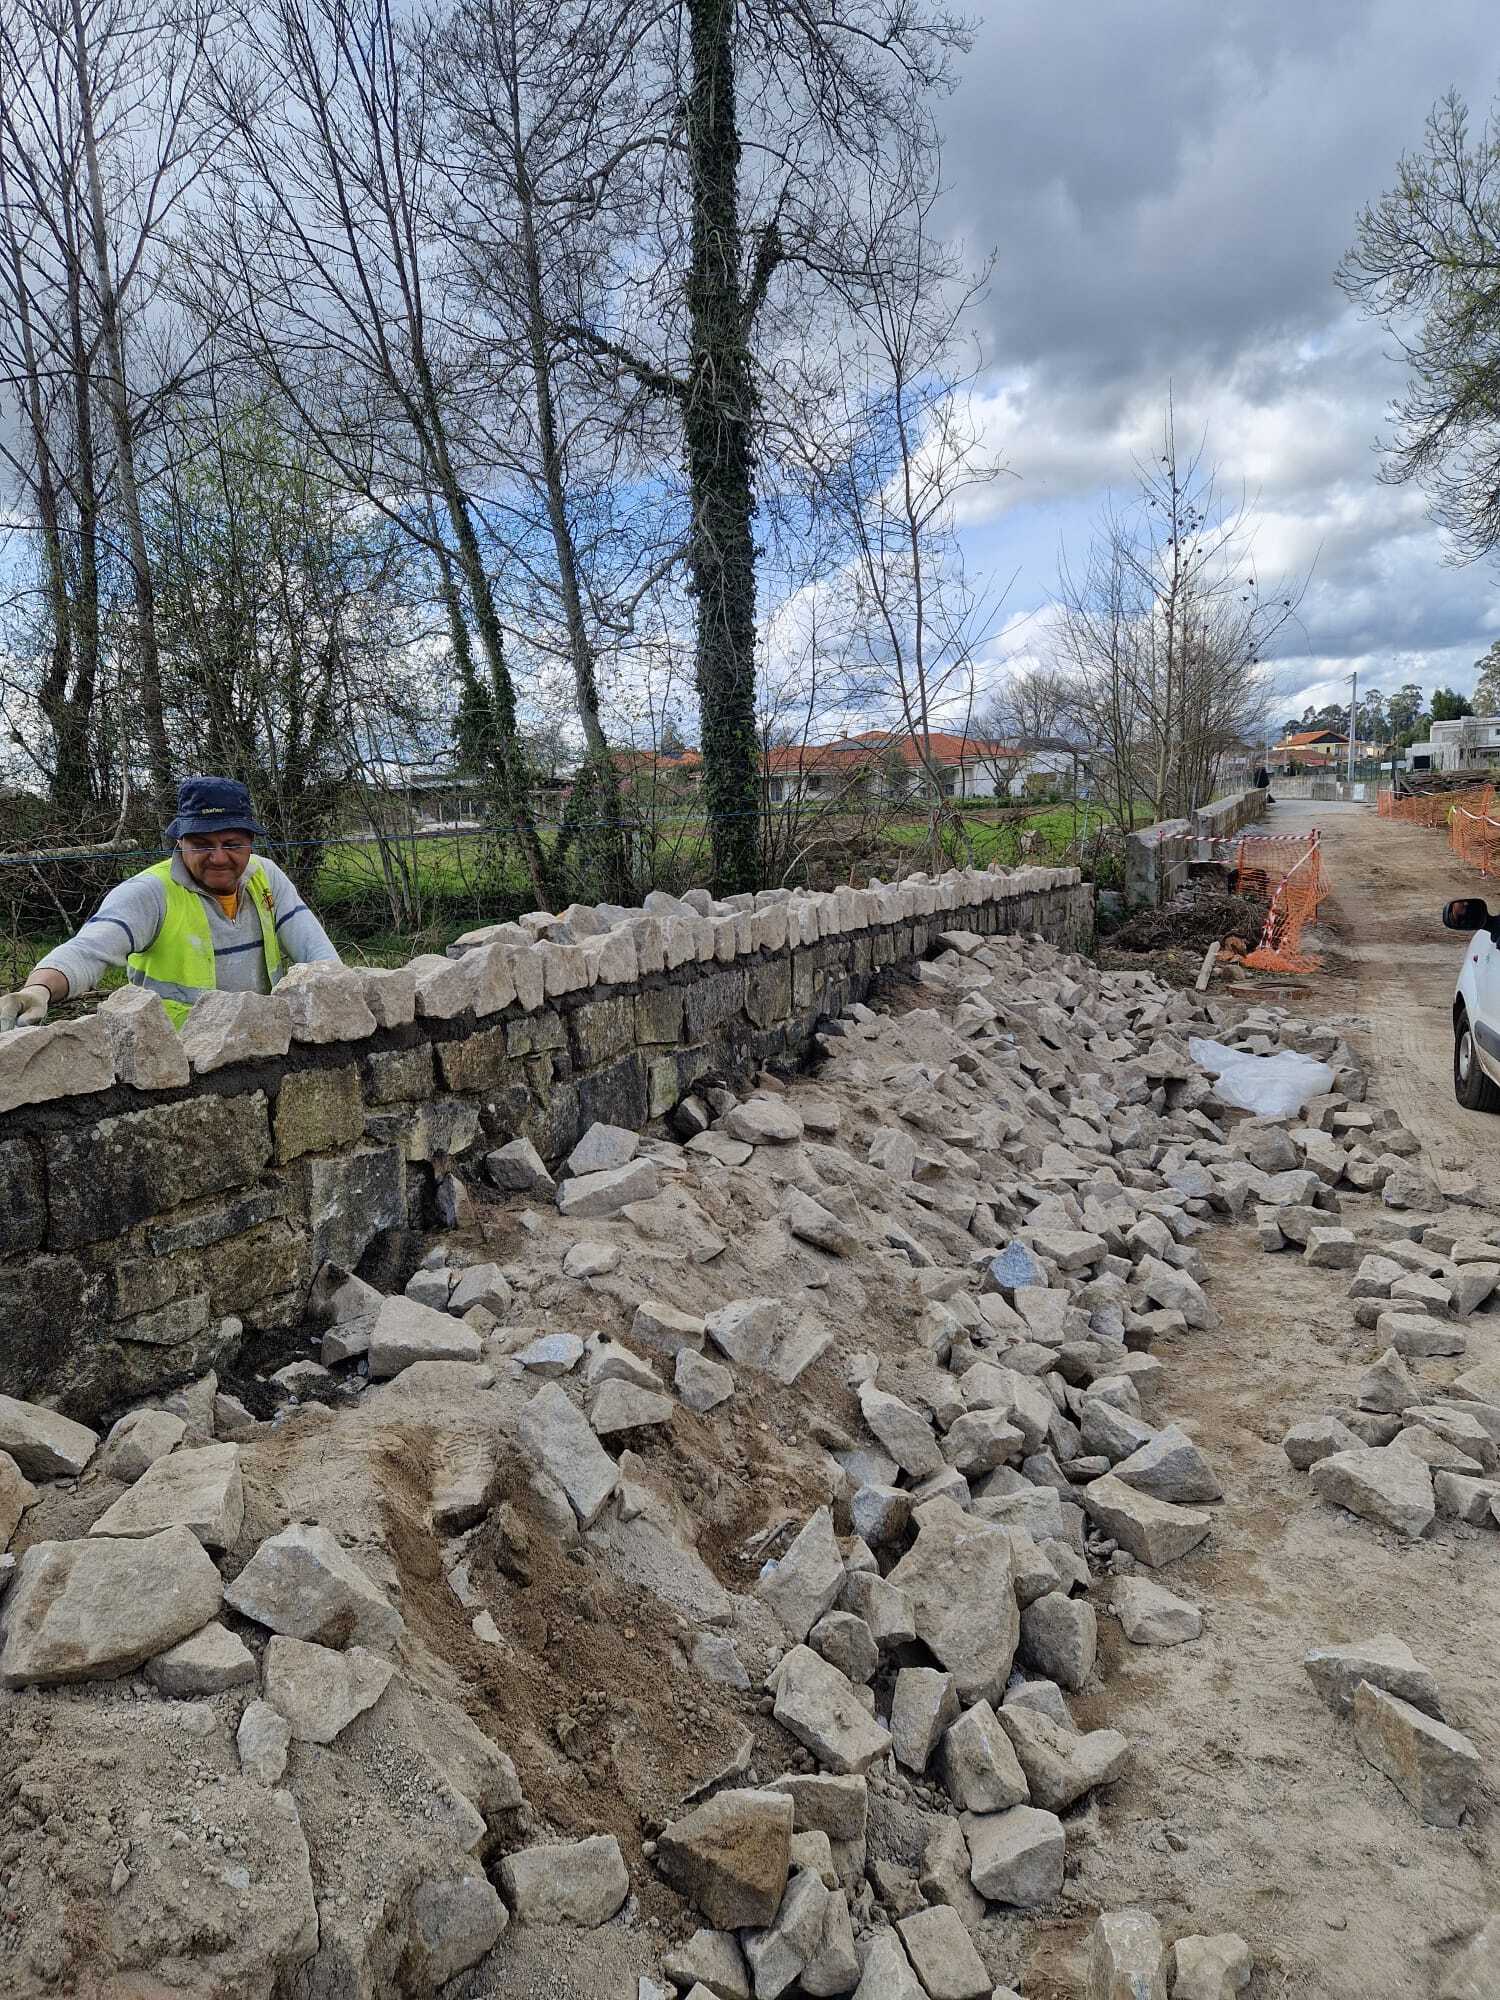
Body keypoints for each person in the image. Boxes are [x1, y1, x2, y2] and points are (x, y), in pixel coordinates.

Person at [0, 774, 340, 1030]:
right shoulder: (150, 893)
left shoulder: (265, 876)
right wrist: (38, 991)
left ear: (251, 842)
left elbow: (318, 954)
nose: (219, 858)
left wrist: (346, 993)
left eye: (232, 843)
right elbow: (87, 950)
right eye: (202, 844)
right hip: (172, 1065)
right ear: (179, 842)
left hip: (260, 1047)